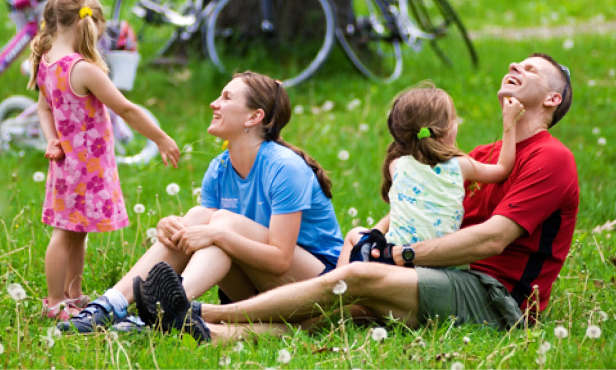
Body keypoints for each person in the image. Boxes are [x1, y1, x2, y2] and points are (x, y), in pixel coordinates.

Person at [140, 53, 578, 342]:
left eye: (532, 69)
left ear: (552, 99)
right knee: (351, 309)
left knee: (357, 281)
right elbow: (414, 205)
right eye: (516, 62)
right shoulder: (478, 157)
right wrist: (374, 234)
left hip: (494, 297)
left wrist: (404, 256)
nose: (516, 65)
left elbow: (491, 241)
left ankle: (197, 311)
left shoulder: (551, 159)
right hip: (444, 278)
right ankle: (206, 333)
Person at [58, 71, 344, 334]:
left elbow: (280, 259)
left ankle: (165, 309)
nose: (213, 103)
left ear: (253, 117)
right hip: (257, 292)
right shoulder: (220, 168)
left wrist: (217, 233)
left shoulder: (285, 168)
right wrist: (170, 227)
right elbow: (204, 231)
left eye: (227, 98)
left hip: (317, 289)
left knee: (220, 224)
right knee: (197, 216)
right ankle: (111, 304)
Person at [29, 0, 180, 320]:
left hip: (72, 164)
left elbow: (43, 109)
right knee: (65, 233)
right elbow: (125, 109)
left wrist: (51, 139)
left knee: (77, 230)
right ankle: (54, 303)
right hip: (82, 166)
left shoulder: (48, 60)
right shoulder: (82, 69)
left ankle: (74, 294)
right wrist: (161, 138)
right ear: (90, 22)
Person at [344, 84, 524, 268]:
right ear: (445, 130)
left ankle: (337, 289)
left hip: (393, 261)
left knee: (354, 234)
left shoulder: (396, 165)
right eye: (454, 121)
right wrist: (509, 123)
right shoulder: (461, 165)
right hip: (443, 265)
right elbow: (503, 169)